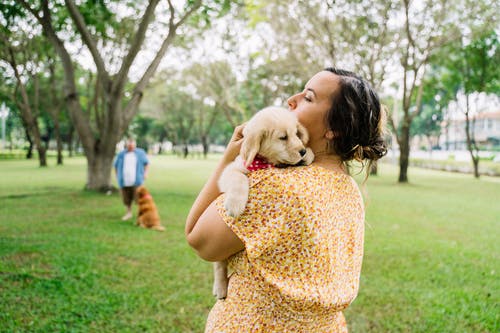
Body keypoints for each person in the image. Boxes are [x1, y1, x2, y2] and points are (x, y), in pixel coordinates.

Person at [185, 68, 388, 332]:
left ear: (334, 128)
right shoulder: (348, 189)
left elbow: (198, 239)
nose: (292, 99)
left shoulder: (275, 186)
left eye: (309, 97)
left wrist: (229, 158)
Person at [114, 138, 149, 221]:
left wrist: (145, 173)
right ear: (127, 145)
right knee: (126, 199)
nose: (131, 147)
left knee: (139, 198)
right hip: (124, 180)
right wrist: (117, 176)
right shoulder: (121, 154)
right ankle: (128, 213)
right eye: (129, 145)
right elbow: (115, 166)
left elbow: (146, 164)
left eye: (132, 145)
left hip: (137, 180)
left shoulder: (140, 153)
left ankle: (140, 214)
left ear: (135, 145)